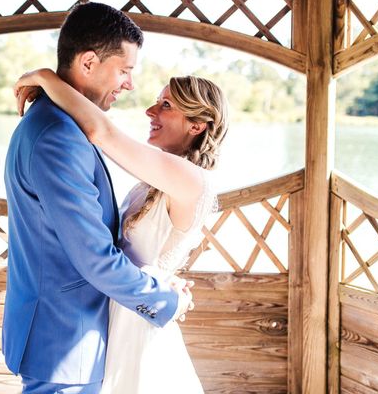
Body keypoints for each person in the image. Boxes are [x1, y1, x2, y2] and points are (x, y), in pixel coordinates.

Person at [3, 2, 193, 394]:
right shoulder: (58, 136)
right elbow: (94, 257)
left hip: (74, 334)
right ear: (88, 62)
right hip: (63, 337)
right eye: (124, 70)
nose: (130, 85)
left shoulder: (61, 124)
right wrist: (165, 301)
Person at [14, 68, 228, 393]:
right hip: (119, 313)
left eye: (166, 106)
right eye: (157, 102)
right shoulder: (159, 175)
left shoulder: (190, 179)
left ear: (197, 126)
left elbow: (102, 132)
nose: (150, 111)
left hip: (139, 324)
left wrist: (46, 78)